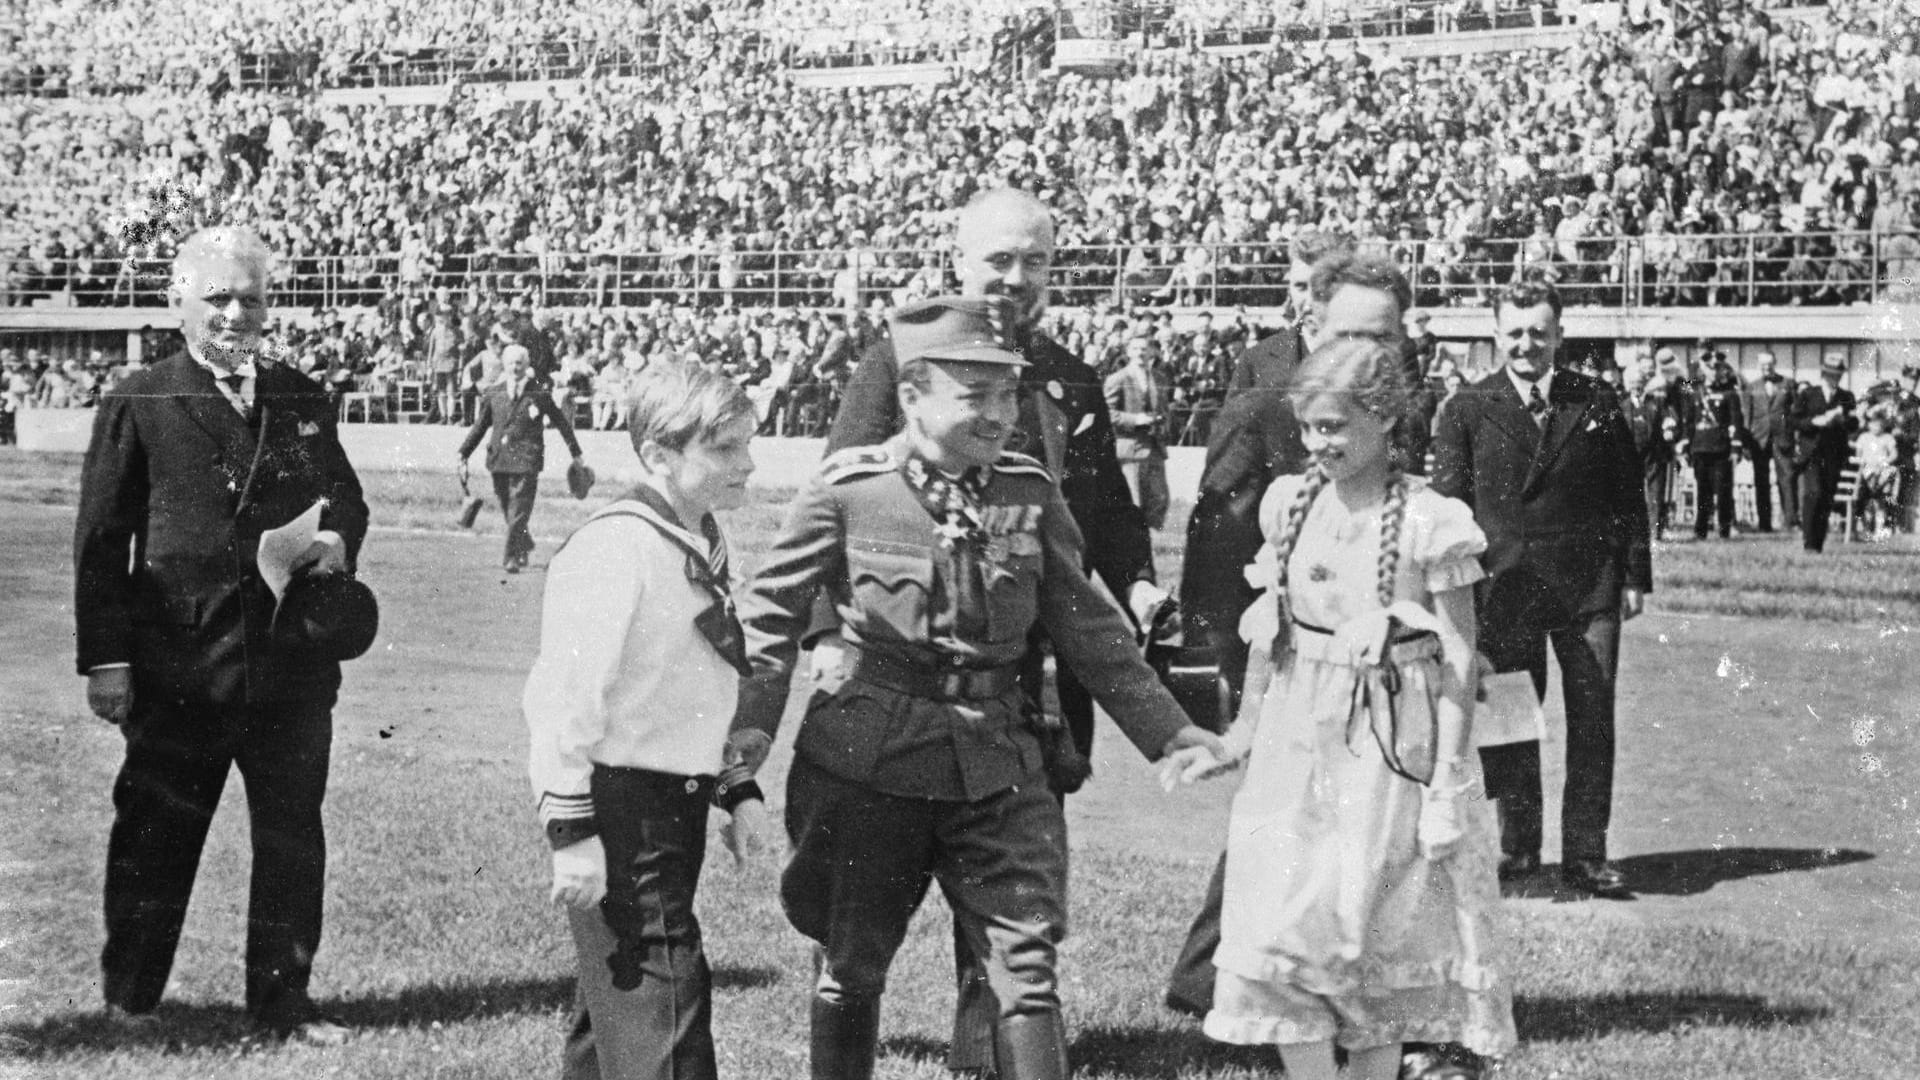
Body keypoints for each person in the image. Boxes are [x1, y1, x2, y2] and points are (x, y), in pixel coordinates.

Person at [726, 296, 1224, 1080]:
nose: (999, 414)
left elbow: (1087, 625)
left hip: (1001, 761)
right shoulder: (850, 489)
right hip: (870, 762)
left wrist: (1171, 729)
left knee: (1026, 971)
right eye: (975, 395)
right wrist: (745, 737)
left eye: (1006, 393)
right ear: (913, 393)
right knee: (853, 961)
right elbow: (768, 617)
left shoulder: (1029, 492)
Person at [824, 189, 1168, 1075]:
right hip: (912, 675)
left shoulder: (1066, 374)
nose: (1016, 280)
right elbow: (838, 507)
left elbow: (1102, 508)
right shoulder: (897, 360)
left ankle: (985, 1049)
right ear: (959, 259)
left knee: (1014, 888)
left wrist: (1136, 580)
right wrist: (827, 635)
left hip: (1034, 671)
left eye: (1036, 263)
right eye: (999, 261)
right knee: (871, 890)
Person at [1164, 336, 1517, 1080]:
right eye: (1310, 429)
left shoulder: (1429, 519)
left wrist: (1449, 784)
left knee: (1373, 939)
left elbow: (1457, 655)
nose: (1319, 444)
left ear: (1386, 418)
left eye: (1335, 427)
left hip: (1393, 744)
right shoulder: (1291, 504)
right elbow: (1273, 636)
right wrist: (1241, 736)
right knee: (1284, 928)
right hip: (1300, 740)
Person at [72, 227, 370, 1042]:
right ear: (180, 304)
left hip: (288, 667)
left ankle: (285, 1005)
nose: (236, 314)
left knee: (291, 840)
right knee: (157, 835)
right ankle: (131, 1001)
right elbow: (103, 541)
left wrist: (333, 542)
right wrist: (108, 661)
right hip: (180, 669)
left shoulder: (302, 396)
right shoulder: (142, 397)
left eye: (251, 297)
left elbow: (349, 500)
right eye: (219, 298)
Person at [1164, 251, 1413, 1021]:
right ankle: (1216, 978)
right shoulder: (1265, 404)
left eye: (1387, 337)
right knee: (1282, 818)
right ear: (1310, 324)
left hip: (1373, 662)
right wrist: (1222, 671)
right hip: (1284, 653)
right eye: (1351, 333)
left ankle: (1264, 980)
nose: (1369, 353)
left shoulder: (1403, 404)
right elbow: (1216, 543)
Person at [523, 364, 770, 1080]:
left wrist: (735, 788)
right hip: (621, 810)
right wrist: (570, 834)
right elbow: (564, 703)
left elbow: (686, 695)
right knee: (666, 1021)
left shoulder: (699, 539)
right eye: (724, 449)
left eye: (747, 444)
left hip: (673, 806)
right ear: (658, 454)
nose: (748, 463)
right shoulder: (616, 548)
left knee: (614, 1020)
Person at [1431, 278, 1651, 899]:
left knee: (1592, 718)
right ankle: (1519, 849)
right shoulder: (1468, 408)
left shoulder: (1597, 401)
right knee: (1511, 722)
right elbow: (1449, 506)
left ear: (1559, 334)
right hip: (1507, 590)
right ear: (1496, 335)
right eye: (1515, 332)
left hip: (1588, 588)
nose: (1527, 344)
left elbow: (1627, 497)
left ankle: (1586, 853)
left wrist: (1633, 576)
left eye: (1538, 332)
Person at [456, 341, 586, 573]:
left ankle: (511, 556)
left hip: (527, 459)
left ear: (525, 365)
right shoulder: (494, 393)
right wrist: (463, 453)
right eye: (510, 363)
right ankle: (523, 542)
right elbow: (480, 426)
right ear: (504, 366)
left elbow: (561, 422)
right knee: (508, 504)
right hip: (499, 458)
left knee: (519, 508)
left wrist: (576, 453)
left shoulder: (538, 392)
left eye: (519, 363)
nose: (515, 367)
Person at [1789, 353, 1860, 553]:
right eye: (1831, 374)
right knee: (1814, 493)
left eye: (1838, 374)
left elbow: (1854, 423)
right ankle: (1809, 542)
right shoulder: (1808, 394)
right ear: (1823, 373)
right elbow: (1793, 421)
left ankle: (1818, 543)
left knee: (1827, 497)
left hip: (1834, 454)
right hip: (1811, 453)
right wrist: (1815, 422)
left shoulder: (1847, 397)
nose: (1834, 378)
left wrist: (1841, 420)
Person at [1104, 335, 1172, 530]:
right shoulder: (1118, 379)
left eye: (1144, 349)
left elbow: (1165, 409)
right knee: (1134, 501)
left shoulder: (1159, 378)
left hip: (1154, 448)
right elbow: (1107, 413)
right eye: (1135, 349)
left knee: (1160, 498)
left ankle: (1151, 540)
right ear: (1128, 352)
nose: (1140, 353)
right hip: (1130, 448)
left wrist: (1162, 422)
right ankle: (1132, 544)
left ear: (1152, 351)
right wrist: (1135, 420)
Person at [1675, 357, 1744, 540]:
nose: (1713, 373)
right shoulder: (1694, 394)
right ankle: (1701, 529)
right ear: (1703, 373)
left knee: (1723, 491)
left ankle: (1724, 529)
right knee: (1702, 491)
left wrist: (1736, 448)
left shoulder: (1730, 394)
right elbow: (1689, 423)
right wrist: (1684, 445)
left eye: (1717, 370)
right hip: (1700, 447)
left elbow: (1736, 422)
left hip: (1721, 448)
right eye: (1709, 370)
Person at [1740, 352, 1795, 533]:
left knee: (1786, 479)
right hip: (1759, 439)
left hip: (1782, 438)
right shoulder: (1751, 386)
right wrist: (1746, 443)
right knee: (1761, 481)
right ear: (1758, 365)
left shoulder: (1787, 383)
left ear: (1775, 363)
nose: (1767, 368)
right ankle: (1765, 524)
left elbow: (1794, 412)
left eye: (1770, 364)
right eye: (1763, 365)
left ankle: (1789, 523)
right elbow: (1746, 416)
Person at [1622, 364, 1678, 541]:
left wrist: (1669, 429)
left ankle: (1655, 533)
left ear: (1644, 383)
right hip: (1630, 456)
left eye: (1639, 383)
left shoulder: (1656, 402)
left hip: (1654, 454)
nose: (1636, 387)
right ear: (1627, 385)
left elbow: (1670, 419)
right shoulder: (1621, 405)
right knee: (1632, 495)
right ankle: (1634, 532)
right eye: (1632, 383)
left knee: (1656, 494)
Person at [1854, 413, 1901, 538]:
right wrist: (1864, 463)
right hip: (1866, 473)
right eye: (1873, 424)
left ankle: (1878, 531)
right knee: (1867, 502)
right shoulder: (1863, 437)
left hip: (1881, 472)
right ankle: (1866, 530)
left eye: (1878, 424)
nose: (1876, 427)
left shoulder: (1887, 437)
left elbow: (1894, 454)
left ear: (1883, 425)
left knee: (1880, 501)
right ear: (1869, 425)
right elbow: (1858, 455)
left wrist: (1884, 462)